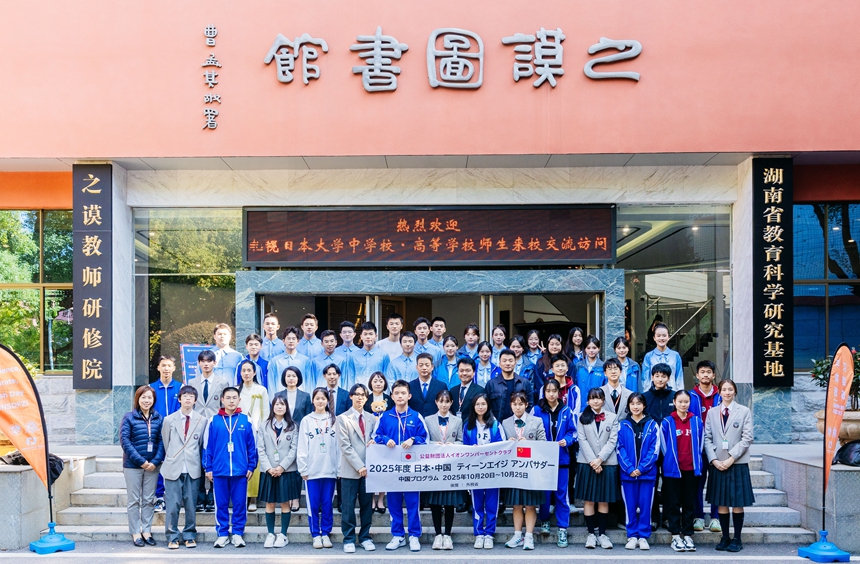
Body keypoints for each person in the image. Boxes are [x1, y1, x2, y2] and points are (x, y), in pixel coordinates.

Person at [375, 379, 428, 552]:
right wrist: (385, 439)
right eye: (396, 393)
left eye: (403, 393)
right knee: (394, 503)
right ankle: (398, 535)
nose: (400, 396)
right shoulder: (384, 417)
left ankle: (414, 535)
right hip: (392, 469)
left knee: (413, 504)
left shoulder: (416, 416)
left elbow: (426, 439)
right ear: (392, 396)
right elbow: (375, 436)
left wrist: (413, 439)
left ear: (409, 396)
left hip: (411, 469)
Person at [203, 386, 258, 548]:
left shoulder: (246, 420)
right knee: (221, 504)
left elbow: (252, 447)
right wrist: (208, 468)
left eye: (234, 398)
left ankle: (238, 533)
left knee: (240, 504)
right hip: (219, 470)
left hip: (240, 471)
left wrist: (251, 466)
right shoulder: (213, 421)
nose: (231, 401)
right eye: (228, 398)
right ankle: (222, 534)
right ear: (222, 400)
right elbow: (207, 447)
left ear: (239, 400)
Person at [704, 379, 755, 553]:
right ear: (719, 392)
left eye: (730, 389)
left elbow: (747, 438)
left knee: (737, 502)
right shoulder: (712, 412)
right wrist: (714, 460)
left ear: (735, 392)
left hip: (737, 462)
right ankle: (725, 537)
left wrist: (731, 458)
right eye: (724, 389)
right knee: (721, 502)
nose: (727, 392)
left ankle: (737, 538)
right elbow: (707, 438)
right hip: (718, 463)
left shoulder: (744, 411)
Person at [161, 385, 206, 550]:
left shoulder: (202, 420)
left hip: (193, 467)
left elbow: (201, 445)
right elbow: (166, 442)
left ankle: (189, 535)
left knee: (191, 504)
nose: (188, 399)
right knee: (172, 505)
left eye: (191, 396)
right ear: (179, 399)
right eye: (185, 396)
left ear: (195, 400)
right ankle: (172, 536)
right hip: (173, 467)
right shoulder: (169, 420)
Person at [533, 379, 576, 548]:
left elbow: (573, 432)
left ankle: (562, 528)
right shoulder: (537, 410)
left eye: (554, 391)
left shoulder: (566, 410)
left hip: (562, 459)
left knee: (561, 495)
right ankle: (544, 520)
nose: (551, 394)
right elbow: (531, 431)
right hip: (543, 460)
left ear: (559, 392)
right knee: (544, 494)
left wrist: (567, 440)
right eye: (548, 391)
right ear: (544, 393)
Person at [120, 385, 165, 547]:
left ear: (154, 400)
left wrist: (155, 461)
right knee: (133, 500)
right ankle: (135, 532)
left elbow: (162, 441)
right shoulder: (129, 417)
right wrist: (142, 462)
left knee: (148, 500)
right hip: (133, 465)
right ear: (137, 399)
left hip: (153, 466)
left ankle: (146, 530)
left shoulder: (158, 418)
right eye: (143, 397)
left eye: (149, 397)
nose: (146, 400)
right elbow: (125, 442)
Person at [575, 387, 619, 550]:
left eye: (599, 398)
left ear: (603, 400)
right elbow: (582, 440)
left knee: (603, 500)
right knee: (589, 500)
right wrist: (593, 461)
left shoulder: (612, 417)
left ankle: (602, 534)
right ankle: (591, 534)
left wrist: (600, 459)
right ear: (588, 401)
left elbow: (613, 440)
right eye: (593, 398)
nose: (596, 401)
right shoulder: (582, 417)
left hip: (607, 463)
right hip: (587, 463)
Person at [501, 392, 546, 550]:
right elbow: (500, 446)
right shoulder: (505, 423)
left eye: (521, 404)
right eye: (514, 404)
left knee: (531, 504)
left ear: (526, 405)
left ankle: (529, 536)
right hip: (514, 470)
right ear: (510, 405)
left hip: (531, 469)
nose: (518, 407)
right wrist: (507, 443)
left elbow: (544, 443)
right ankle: (517, 535)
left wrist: (529, 443)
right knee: (516, 504)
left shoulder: (536, 421)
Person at [337, 383, 378, 553]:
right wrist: (359, 465)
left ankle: (365, 537)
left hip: (369, 470)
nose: (360, 397)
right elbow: (345, 446)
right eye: (357, 394)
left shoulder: (372, 418)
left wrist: (375, 442)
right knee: (348, 506)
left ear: (367, 398)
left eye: (363, 395)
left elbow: (376, 439)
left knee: (367, 506)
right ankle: (348, 539)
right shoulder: (342, 418)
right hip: (350, 469)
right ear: (351, 396)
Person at [661, 389, 704, 552]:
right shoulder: (667, 422)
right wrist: (671, 461)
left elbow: (700, 444)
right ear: (674, 402)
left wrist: (696, 462)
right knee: (673, 503)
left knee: (689, 503)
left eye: (686, 402)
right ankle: (675, 535)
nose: (683, 404)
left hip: (691, 469)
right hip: (673, 470)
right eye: (680, 402)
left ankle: (687, 534)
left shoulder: (697, 421)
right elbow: (663, 446)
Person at [616, 392, 659, 551]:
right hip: (628, 475)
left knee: (646, 506)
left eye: (639, 403)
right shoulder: (623, 425)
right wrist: (629, 468)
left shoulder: (652, 424)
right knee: (630, 506)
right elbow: (619, 448)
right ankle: (632, 535)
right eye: (632, 403)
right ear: (628, 406)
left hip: (647, 475)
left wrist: (641, 469)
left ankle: (643, 536)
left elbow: (655, 450)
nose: (635, 406)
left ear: (644, 405)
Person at [298, 387, 340, 549]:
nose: (320, 401)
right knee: (313, 504)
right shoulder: (307, 420)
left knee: (328, 503)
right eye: (318, 398)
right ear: (313, 400)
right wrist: (303, 468)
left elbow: (339, 446)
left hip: (330, 469)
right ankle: (316, 534)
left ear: (328, 401)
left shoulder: (334, 420)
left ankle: (326, 533)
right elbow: (302, 446)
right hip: (312, 471)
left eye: (323, 398)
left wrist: (338, 468)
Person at [462, 392, 505, 549]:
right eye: (477, 404)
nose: (480, 407)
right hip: (475, 470)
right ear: (473, 406)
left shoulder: (495, 425)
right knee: (477, 503)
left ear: (488, 406)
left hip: (492, 470)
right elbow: (464, 447)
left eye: (483, 404)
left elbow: (502, 445)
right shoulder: (468, 426)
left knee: (492, 504)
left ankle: (489, 534)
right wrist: (471, 449)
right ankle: (479, 533)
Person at [257, 395, 300, 549]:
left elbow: (294, 450)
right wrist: (269, 468)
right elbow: (260, 449)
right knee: (269, 503)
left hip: (286, 471)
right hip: (268, 470)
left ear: (286, 407)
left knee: (285, 503)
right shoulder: (264, 425)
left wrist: (281, 467)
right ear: (272, 407)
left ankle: (283, 535)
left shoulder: (293, 426)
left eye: (282, 404)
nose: (279, 407)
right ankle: (270, 534)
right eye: (277, 404)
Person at [424, 389, 463, 550]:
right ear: (436, 402)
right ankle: (437, 534)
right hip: (434, 467)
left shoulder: (457, 421)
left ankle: (447, 535)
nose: (444, 404)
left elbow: (461, 440)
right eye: (441, 401)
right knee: (435, 503)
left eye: (447, 401)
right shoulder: (428, 420)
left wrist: (452, 445)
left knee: (449, 503)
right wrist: (435, 445)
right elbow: (424, 441)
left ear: (451, 403)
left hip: (451, 467)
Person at [191, 349, 229, 512]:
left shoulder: (222, 382)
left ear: (215, 363)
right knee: (198, 460)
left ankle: (213, 497)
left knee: (215, 459)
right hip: (196, 426)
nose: (206, 364)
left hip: (216, 426)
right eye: (203, 361)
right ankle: (200, 498)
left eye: (209, 361)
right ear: (199, 363)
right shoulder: (192, 382)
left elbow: (224, 406)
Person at [689, 360, 722, 533]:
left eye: (709, 372)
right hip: (697, 447)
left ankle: (716, 517)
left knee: (716, 483)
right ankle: (698, 516)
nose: (705, 375)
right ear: (697, 375)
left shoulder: (721, 396)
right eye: (702, 372)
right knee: (697, 484)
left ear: (713, 375)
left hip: (717, 447)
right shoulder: (690, 396)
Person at [272, 367, 310, 512]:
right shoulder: (278, 395)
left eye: (294, 376)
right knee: (285, 464)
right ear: (284, 378)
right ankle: (286, 497)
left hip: (300, 434)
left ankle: (296, 498)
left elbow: (307, 416)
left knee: (297, 467)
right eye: (288, 376)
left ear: (298, 378)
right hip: (282, 434)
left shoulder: (305, 396)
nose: (291, 378)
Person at [642, 362, 674, 529]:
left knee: (669, 482)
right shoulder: (645, 397)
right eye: (657, 376)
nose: (660, 379)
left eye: (663, 376)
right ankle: (653, 517)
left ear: (668, 378)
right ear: (652, 377)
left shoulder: (674, 396)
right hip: (650, 446)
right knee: (652, 481)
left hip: (670, 447)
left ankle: (668, 517)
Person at [238, 359, 270, 513]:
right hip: (238, 432)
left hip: (256, 431)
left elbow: (265, 413)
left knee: (254, 463)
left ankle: (253, 498)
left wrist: (262, 431)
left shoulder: (261, 390)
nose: (246, 373)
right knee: (240, 462)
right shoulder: (236, 390)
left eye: (249, 370)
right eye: (243, 370)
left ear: (254, 372)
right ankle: (241, 496)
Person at [152, 355, 181, 513]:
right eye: (163, 365)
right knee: (159, 463)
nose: (166, 369)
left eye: (169, 365)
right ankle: (159, 497)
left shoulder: (181, 388)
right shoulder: (151, 389)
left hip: (176, 433)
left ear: (174, 368)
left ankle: (175, 496)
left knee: (175, 463)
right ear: (158, 368)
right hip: (157, 433)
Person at [364, 371, 393, 514]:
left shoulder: (390, 399)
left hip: (385, 438)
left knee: (383, 470)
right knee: (371, 470)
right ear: (370, 383)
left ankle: (381, 499)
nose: (378, 383)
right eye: (375, 381)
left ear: (385, 383)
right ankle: (371, 499)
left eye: (381, 381)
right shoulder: (366, 398)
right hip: (368, 438)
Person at [486, 349, 533, 422]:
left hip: (519, 424)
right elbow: (487, 406)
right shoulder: (491, 384)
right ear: (499, 364)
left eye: (510, 361)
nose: (507, 363)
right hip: (497, 424)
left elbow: (530, 404)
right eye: (504, 361)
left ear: (515, 363)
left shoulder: (524, 383)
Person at [268, 326, 317, 395]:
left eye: (293, 339)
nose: (291, 341)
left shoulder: (305, 361)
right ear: (283, 341)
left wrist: (307, 399)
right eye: (288, 338)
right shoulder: (275, 361)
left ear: (298, 341)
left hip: (300, 399)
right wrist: (275, 400)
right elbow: (271, 385)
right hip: (280, 399)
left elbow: (309, 384)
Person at [640, 323, 684, 392]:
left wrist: (680, 394)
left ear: (668, 337)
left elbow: (679, 377)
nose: (661, 338)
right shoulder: (649, 356)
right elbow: (645, 379)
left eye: (664, 335)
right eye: (658, 336)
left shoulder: (675, 355)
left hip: (672, 392)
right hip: (654, 393)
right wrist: (646, 395)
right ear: (654, 338)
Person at [349, 322, 391, 388]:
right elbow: (350, 378)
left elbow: (387, 377)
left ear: (376, 336)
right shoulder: (353, 356)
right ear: (361, 336)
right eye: (365, 334)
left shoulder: (384, 355)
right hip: (358, 392)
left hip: (377, 392)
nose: (368, 337)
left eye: (371, 334)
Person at [408, 353, 448, 417]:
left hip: (435, 421)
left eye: (427, 365)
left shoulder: (441, 386)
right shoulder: (410, 386)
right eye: (421, 365)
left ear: (432, 367)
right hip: (415, 421)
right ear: (417, 367)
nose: (424, 368)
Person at [533, 334, 565, 404]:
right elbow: (538, 382)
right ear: (547, 345)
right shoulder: (540, 362)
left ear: (562, 345)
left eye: (557, 344)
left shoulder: (568, 362)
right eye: (552, 344)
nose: (554, 347)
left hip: (564, 398)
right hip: (545, 399)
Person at [601, 358, 632, 423]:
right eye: (610, 369)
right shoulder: (599, 393)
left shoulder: (629, 394)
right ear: (605, 373)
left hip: (623, 428)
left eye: (615, 369)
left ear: (620, 372)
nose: (613, 372)